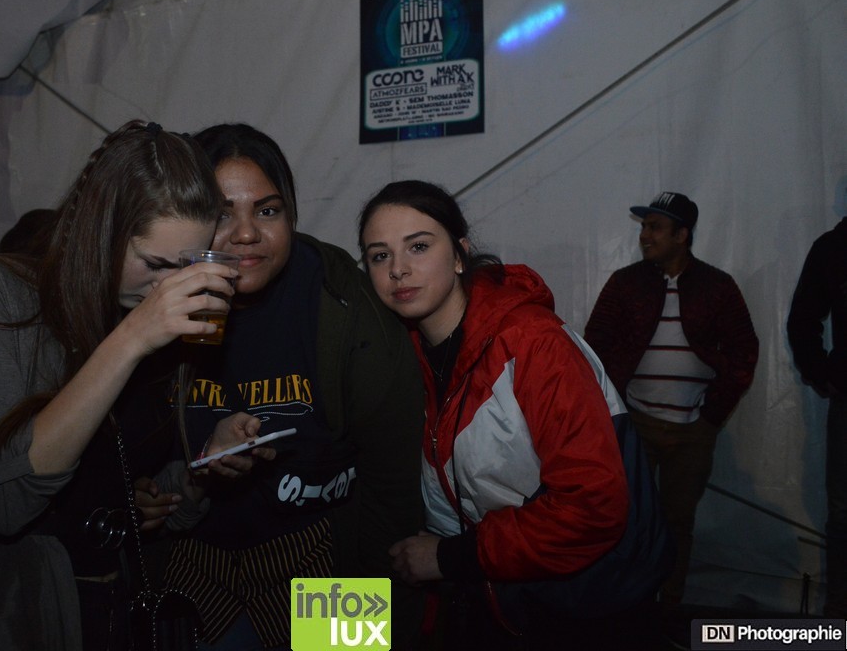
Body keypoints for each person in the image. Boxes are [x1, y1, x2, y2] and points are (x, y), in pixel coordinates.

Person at [0, 120, 269, 651]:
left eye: (185, 266)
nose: (168, 286)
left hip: (145, 603)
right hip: (20, 616)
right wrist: (132, 339)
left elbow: (131, 488)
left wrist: (198, 471)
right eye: (155, 264)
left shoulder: (151, 321)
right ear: (100, 231)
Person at [357, 180, 672, 650]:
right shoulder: (399, 352)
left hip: (583, 603)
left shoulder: (533, 343)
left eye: (418, 246)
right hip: (486, 592)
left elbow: (593, 505)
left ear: (460, 255)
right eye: (380, 256)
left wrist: (450, 557)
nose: (398, 269)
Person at [149, 124, 425, 651]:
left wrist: (380, 615)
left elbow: (392, 481)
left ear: (292, 215)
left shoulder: (343, 302)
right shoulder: (155, 302)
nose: (246, 234)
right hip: (194, 563)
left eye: (268, 211)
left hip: (323, 559)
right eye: (221, 213)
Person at [584, 191, 758, 606]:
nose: (645, 235)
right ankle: (629, 603)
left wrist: (711, 414)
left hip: (692, 428)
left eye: (655, 227)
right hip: (636, 424)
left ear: (682, 235)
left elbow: (744, 351)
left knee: (678, 521)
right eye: (644, 226)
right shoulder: (626, 283)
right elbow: (595, 344)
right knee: (627, 518)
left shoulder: (717, 286)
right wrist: (615, 410)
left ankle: (669, 604)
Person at [787, 215, 847, 617]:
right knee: (843, 514)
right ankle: (841, 608)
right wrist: (823, 372)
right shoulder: (834, 248)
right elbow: (803, 318)